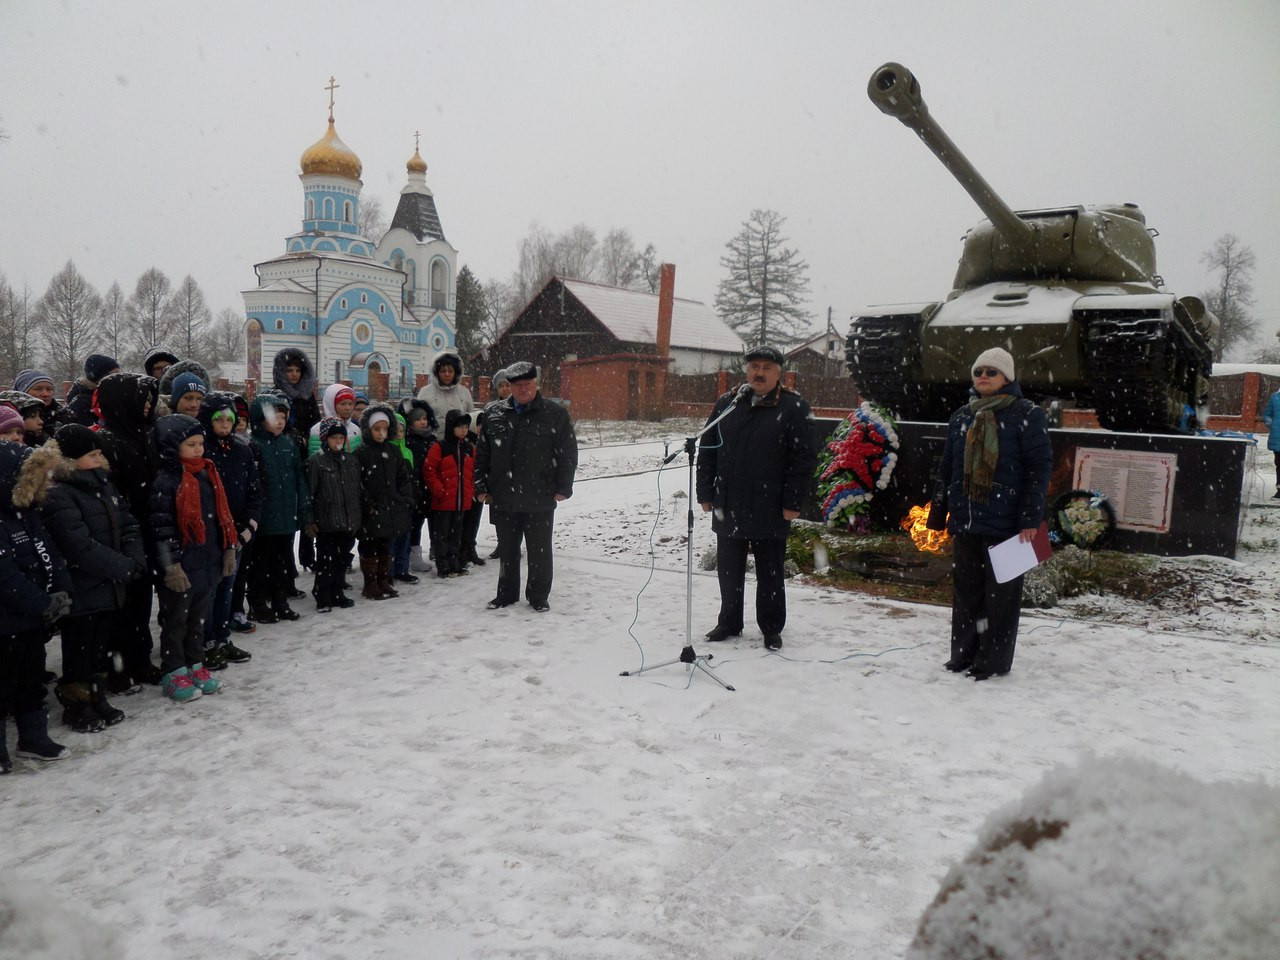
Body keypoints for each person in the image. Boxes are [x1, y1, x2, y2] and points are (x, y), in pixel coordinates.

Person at [926, 347, 1052, 681]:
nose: (983, 376)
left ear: (1007, 378)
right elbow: (948, 468)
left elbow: (1038, 471)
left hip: (1007, 523)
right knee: (967, 594)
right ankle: (963, 654)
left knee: (1001, 598)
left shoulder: (1027, 414)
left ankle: (993, 660)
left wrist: (1029, 519)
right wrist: (938, 515)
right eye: (979, 371)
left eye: (991, 372)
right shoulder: (961, 416)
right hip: (967, 520)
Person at [696, 345, 817, 651]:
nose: (758, 373)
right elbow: (707, 448)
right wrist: (705, 492)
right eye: (754, 367)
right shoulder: (728, 403)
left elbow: (802, 460)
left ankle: (771, 627)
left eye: (766, 367)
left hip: (771, 504)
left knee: (771, 572)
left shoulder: (793, 407)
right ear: (746, 371)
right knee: (729, 569)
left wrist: (793, 502)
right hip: (730, 501)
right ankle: (729, 621)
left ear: (779, 373)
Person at [41, 424, 146, 731]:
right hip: (83, 588)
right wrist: (122, 567)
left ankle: (96, 694)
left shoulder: (104, 486)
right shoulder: (59, 494)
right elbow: (80, 547)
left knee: (100, 647)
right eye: (92, 454)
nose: (100, 459)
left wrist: (134, 559)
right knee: (80, 650)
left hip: (110, 585)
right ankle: (76, 701)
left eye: (100, 453)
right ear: (71, 460)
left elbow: (129, 524)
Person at [148, 415, 237, 702]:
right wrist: (171, 566)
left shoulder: (207, 474)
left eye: (200, 443)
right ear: (173, 446)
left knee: (198, 619)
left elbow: (221, 518)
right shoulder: (167, 481)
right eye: (191, 444)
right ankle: (174, 670)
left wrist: (227, 548)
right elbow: (161, 528)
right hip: (182, 565)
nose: (199, 449)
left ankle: (195, 664)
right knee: (176, 621)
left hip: (206, 560)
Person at [475, 361, 577, 612]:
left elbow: (567, 453)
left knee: (539, 550)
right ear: (508, 386)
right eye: (517, 386)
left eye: (527, 385)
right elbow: (483, 453)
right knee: (508, 549)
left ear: (536, 384)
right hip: (503, 494)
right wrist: (480, 485)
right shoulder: (494, 414)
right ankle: (506, 594)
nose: (523, 390)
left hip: (540, 494)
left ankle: (538, 596)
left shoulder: (555, 414)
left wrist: (564, 485)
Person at [0, 441, 73, 772]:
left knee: (30, 681)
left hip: (30, 622)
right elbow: (6, 577)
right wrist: (42, 602)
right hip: (7, 622)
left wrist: (61, 590)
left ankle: (33, 738)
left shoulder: (29, 514)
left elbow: (51, 556)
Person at [94, 372, 163, 689]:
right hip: (121, 533)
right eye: (143, 399)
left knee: (141, 599)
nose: (149, 404)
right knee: (122, 603)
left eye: (150, 398)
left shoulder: (143, 434)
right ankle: (118, 666)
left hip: (146, 528)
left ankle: (140, 658)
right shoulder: (108, 442)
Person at [197, 392, 261, 669]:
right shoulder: (202, 450)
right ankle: (206, 639)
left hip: (237, 533)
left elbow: (254, 492)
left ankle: (222, 636)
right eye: (218, 419)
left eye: (229, 419)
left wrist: (249, 526)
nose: (224, 424)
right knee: (210, 590)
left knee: (228, 586)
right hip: (211, 533)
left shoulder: (242, 450)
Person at [245, 393, 310, 623]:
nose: (280, 422)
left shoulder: (288, 444)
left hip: (285, 516)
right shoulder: (254, 446)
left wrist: (303, 506)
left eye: (283, 417)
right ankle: (258, 603)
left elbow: (298, 477)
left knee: (282, 563)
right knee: (261, 564)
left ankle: (280, 601)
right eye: (274, 417)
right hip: (264, 520)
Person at [353, 405, 414, 600]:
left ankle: (383, 579)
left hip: (390, 507)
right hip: (372, 510)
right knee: (370, 546)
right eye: (376, 429)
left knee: (385, 545)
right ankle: (370, 583)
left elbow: (403, 478)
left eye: (385, 429)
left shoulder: (394, 451)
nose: (381, 433)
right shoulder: (361, 453)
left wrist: (403, 499)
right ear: (368, 430)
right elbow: (358, 483)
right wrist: (368, 504)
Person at [305, 418, 362, 612]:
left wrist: (356, 516)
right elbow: (310, 493)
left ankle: (338, 591)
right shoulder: (316, 462)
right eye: (334, 438)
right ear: (325, 439)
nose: (337, 441)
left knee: (341, 560)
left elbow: (356, 491)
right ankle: (323, 595)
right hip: (326, 521)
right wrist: (310, 519)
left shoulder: (351, 461)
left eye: (341, 437)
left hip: (347, 520)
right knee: (326, 561)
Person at [425, 410, 477, 578]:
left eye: (466, 427)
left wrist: (470, 490)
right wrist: (440, 490)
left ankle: (455, 562)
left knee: (457, 534)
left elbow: (473, 472)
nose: (464, 430)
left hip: (461, 501)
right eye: (460, 427)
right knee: (442, 534)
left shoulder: (468, 448)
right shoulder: (440, 447)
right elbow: (430, 471)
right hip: (443, 501)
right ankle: (443, 565)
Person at [396, 398, 438, 572]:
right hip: (414, 488)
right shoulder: (408, 441)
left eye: (425, 418)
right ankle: (412, 556)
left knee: (429, 522)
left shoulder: (432, 439)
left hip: (430, 487)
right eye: (419, 419)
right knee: (414, 523)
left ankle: (429, 552)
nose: (424, 422)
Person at [307, 383, 362, 456]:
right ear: (332, 405)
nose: (348, 408)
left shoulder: (355, 430)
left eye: (350, 404)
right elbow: (315, 461)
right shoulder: (318, 430)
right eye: (343, 404)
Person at [65, 353, 119, 426]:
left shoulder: (109, 396)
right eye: (113, 375)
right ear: (99, 377)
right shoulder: (82, 403)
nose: (117, 378)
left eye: (119, 375)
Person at [1262, 382, 1280, 498]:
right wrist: (1269, 421)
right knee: (1279, 464)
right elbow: (1267, 414)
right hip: (1277, 437)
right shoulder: (1275, 397)